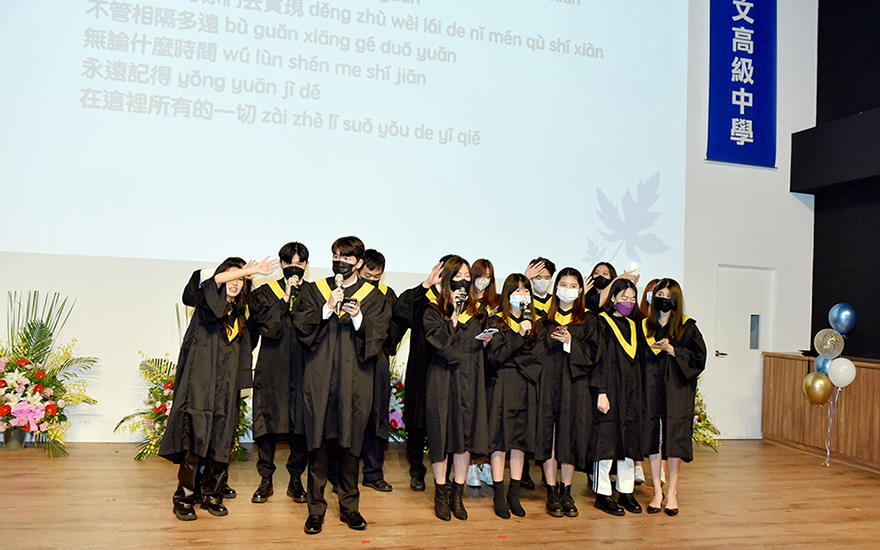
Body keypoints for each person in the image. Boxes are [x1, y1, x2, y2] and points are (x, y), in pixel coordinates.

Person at [161, 256, 278, 521]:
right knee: (195, 437)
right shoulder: (207, 303)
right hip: (199, 385)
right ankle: (184, 497)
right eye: (231, 277)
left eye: (241, 280)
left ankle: (212, 495)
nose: (235, 283)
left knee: (222, 440)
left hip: (226, 387)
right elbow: (210, 279)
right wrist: (248, 270)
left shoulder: (239, 314)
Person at [292, 236, 391, 535]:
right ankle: (315, 510)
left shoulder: (373, 297)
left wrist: (358, 317)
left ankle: (350, 507)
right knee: (317, 444)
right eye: (336, 256)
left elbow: (379, 335)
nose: (340, 261)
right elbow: (300, 325)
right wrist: (327, 308)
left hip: (354, 380)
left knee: (351, 445)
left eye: (346, 257)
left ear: (358, 262)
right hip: (320, 378)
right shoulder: (315, 290)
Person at [423, 256, 491, 521]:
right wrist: (453, 316)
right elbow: (438, 343)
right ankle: (441, 493)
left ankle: (457, 495)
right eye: (458, 276)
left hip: (470, 380)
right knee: (441, 435)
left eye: (466, 276)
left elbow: (482, 347)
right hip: (442, 379)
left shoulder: (478, 312)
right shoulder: (433, 310)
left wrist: (487, 343)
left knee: (465, 437)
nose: (463, 281)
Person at [535, 267, 599, 518]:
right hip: (548, 384)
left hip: (575, 385)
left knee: (571, 434)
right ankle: (551, 490)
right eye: (563, 284)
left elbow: (595, 353)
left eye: (573, 286)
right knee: (549, 436)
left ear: (580, 290)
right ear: (556, 287)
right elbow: (535, 352)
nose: (568, 290)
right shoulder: (545, 320)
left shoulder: (588, 320)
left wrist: (571, 342)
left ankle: (566, 489)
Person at [249, 242, 310, 505]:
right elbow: (268, 328)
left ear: (306, 265)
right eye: (288, 262)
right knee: (267, 421)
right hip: (273, 365)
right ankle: (266, 478)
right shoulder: (264, 292)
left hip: (304, 365)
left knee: (301, 423)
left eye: (299, 263)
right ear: (281, 264)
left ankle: (296, 479)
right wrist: (285, 298)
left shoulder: (314, 293)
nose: (294, 267)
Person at [642, 278, 706, 516]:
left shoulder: (687, 327)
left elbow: (699, 358)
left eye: (669, 296)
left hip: (677, 391)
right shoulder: (645, 327)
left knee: (674, 440)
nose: (663, 299)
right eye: (660, 294)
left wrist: (673, 350)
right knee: (653, 438)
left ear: (676, 300)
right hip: (651, 389)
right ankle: (657, 491)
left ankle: (672, 492)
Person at [485, 273, 545, 518]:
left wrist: (514, 353)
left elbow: (539, 356)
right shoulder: (497, 321)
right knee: (500, 440)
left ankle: (514, 494)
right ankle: (498, 495)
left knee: (521, 441)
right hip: (502, 385)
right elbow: (495, 356)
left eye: (526, 290)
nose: (522, 295)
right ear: (507, 294)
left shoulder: (537, 323)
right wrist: (518, 337)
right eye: (517, 291)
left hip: (527, 384)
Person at [393, 256, 449, 492]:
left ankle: (446, 474)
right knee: (417, 422)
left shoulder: (458, 302)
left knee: (447, 422)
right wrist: (426, 284)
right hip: (422, 366)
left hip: (447, 370)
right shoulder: (423, 297)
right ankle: (416, 471)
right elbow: (400, 312)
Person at [590, 278, 644, 517]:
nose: (629, 302)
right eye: (624, 298)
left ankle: (626, 490)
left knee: (630, 441)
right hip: (609, 390)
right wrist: (601, 391)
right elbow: (598, 360)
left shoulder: (635, 326)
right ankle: (602, 493)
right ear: (612, 298)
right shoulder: (601, 322)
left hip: (631, 392)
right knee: (606, 442)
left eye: (632, 298)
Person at [354, 249, 405, 492]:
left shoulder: (387, 294)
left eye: (377, 277)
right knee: (348, 416)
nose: (373, 281)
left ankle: (373, 473)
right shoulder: (349, 291)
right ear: (358, 269)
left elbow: (396, 327)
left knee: (377, 417)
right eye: (368, 276)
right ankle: (340, 475)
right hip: (351, 359)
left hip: (378, 359)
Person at [466, 258, 498, 488]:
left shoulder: (494, 304)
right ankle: (468, 467)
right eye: (480, 276)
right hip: (470, 368)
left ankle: (485, 466)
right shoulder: (464, 303)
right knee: (471, 418)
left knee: (487, 421)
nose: (483, 281)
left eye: (488, 277)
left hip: (491, 369)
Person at [635, 278, 659, 486]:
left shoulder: (670, 323)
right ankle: (637, 466)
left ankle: (660, 469)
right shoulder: (638, 321)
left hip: (660, 381)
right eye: (652, 291)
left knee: (659, 427)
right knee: (638, 422)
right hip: (639, 379)